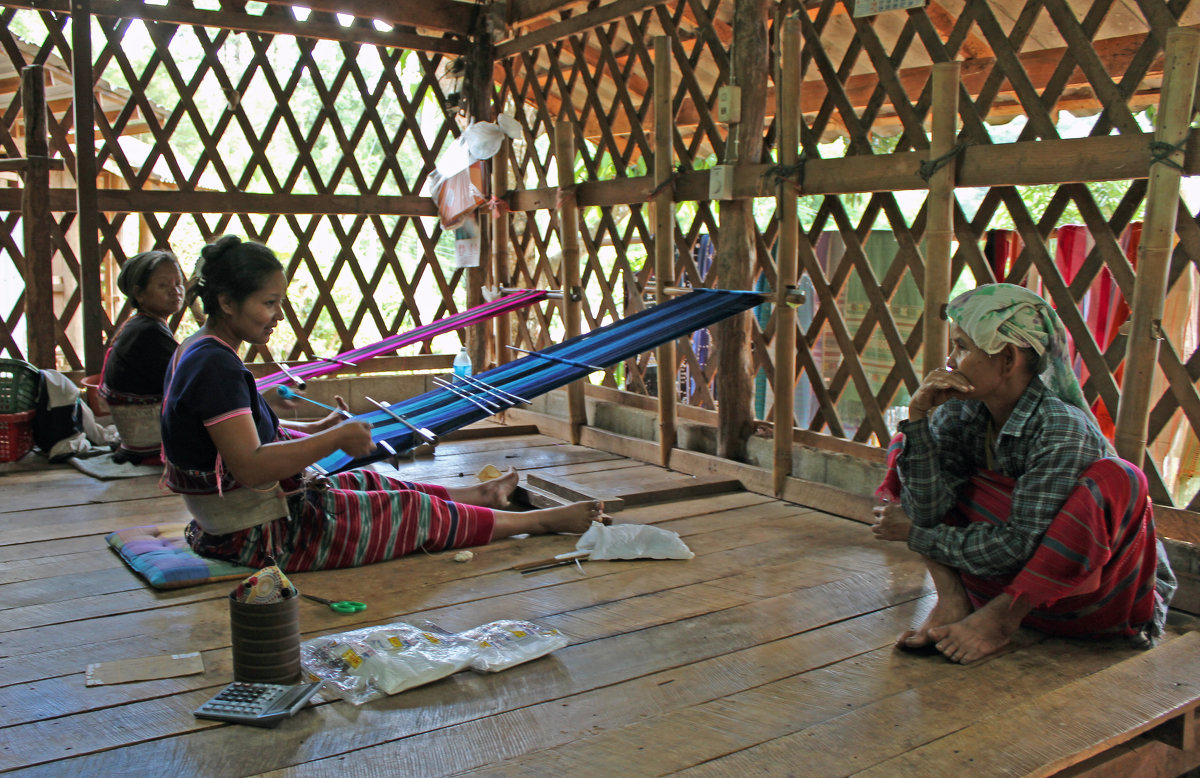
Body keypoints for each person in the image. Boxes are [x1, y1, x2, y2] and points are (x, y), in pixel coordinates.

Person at [162, 235, 603, 572]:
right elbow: (252, 466)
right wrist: (334, 437)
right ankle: (538, 523)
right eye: (269, 303)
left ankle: (481, 495)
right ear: (226, 302)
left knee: (371, 485)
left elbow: (236, 444)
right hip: (258, 534)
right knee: (406, 512)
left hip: (233, 519)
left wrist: (318, 432)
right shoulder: (215, 366)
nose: (279, 315)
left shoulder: (197, 349)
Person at [871, 283, 1175, 664]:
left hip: (1078, 602)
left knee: (1119, 477)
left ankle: (999, 621)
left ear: (1009, 359)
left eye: (962, 347)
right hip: (986, 588)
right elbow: (926, 510)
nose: (949, 361)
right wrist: (917, 419)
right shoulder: (959, 413)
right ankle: (952, 601)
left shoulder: (1060, 429)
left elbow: (1016, 550)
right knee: (910, 445)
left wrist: (917, 535)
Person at [99, 250, 185, 464]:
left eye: (178, 283)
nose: (175, 291)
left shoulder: (141, 325)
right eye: (163, 285)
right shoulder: (148, 333)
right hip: (150, 445)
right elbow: (186, 383)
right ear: (139, 294)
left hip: (135, 441)